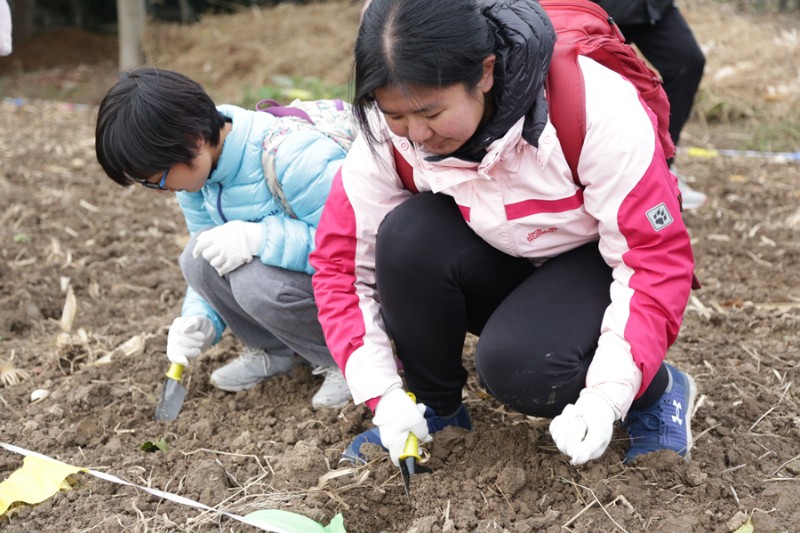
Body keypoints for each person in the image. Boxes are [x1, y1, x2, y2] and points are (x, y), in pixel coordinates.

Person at [310, 0, 698, 467]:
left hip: (591, 260)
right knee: (407, 236)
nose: (415, 134)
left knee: (525, 368)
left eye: (431, 112)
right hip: (501, 248)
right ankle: (435, 409)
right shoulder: (387, 132)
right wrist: (383, 394)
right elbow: (341, 266)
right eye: (396, 116)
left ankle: (656, 391)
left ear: (486, 72)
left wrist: (607, 395)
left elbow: (652, 259)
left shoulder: (592, 106)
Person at [95, 67, 352, 409]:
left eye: (157, 179)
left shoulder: (291, 155)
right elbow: (211, 256)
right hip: (306, 281)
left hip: (358, 290)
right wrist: (200, 317)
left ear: (193, 139)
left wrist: (262, 238)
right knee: (197, 258)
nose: (161, 189)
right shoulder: (196, 177)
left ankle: (345, 360)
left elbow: (358, 245)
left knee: (252, 280)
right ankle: (277, 352)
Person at [595, 0, 707, 209]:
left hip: (652, 7)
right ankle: (596, 179)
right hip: (599, 10)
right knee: (598, 83)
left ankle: (663, 171)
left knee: (688, 63)